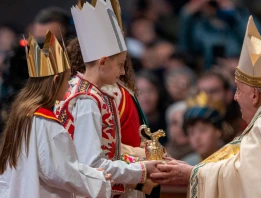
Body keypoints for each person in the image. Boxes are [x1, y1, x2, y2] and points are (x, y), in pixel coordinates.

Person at [150, 16, 261, 197]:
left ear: (255, 95)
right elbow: (242, 165)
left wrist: (192, 174)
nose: (235, 97)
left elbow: (252, 178)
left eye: (239, 90)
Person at [54, 1, 160, 197]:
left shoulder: (78, 88)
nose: (122, 72)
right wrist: (143, 170)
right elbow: (91, 165)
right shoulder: (87, 99)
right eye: (120, 64)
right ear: (103, 61)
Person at [0, 31, 112, 198]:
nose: (69, 86)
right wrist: (98, 178)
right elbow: (59, 173)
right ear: (55, 81)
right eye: (67, 79)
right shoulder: (44, 120)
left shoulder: (22, 111)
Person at [182, 92, 233, 165]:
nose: (197, 137)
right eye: (191, 133)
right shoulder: (187, 164)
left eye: (203, 130)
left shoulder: (232, 161)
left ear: (218, 131)